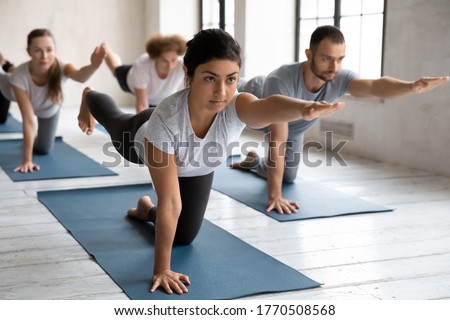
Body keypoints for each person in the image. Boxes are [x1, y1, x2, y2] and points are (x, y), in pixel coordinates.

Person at [77, 28, 344, 295]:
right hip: (142, 137)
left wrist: (303, 108)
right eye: (210, 78)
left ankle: (145, 210)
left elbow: (267, 107)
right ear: (189, 74)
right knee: (113, 119)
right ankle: (88, 96)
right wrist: (161, 269)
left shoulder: (238, 104)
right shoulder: (166, 121)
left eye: (231, 79)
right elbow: (171, 203)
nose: (221, 91)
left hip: (198, 166)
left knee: (183, 237)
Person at [232, 25, 449, 214]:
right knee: (227, 92)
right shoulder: (281, 79)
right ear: (309, 54)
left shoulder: (340, 77)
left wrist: (412, 86)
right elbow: (277, 140)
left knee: (288, 176)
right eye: (327, 58)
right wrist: (274, 197)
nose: (334, 67)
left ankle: (252, 160)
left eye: (340, 59)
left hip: (293, 129)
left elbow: (375, 86)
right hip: (255, 100)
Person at [0, 28, 105, 173]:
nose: (44, 56)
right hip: (10, 89)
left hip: (48, 109)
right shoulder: (20, 76)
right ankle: (3, 65)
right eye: (37, 50)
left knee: (43, 149)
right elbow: (29, 120)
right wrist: (27, 160)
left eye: (49, 50)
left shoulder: (62, 67)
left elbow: (80, 76)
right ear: (29, 51)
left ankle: (8, 66)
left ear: (55, 50)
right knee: (4, 78)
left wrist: (93, 66)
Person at [102, 34, 186, 113]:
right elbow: (142, 104)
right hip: (130, 79)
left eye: (173, 60)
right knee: (115, 69)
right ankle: (106, 50)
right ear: (155, 57)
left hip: (160, 100)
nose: (170, 66)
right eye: (165, 61)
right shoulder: (142, 66)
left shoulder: (182, 65)